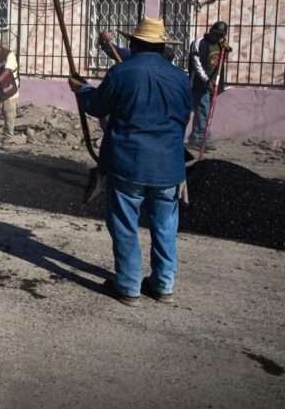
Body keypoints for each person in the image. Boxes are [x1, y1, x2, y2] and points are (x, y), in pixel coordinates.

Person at [68, 17, 191, 306]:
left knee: (125, 225)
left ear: (134, 44)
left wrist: (81, 89)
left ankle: (128, 286)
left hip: (128, 163)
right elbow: (184, 117)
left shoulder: (121, 72)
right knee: (165, 227)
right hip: (169, 165)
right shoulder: (180, 77)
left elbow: (97, 105)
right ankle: (163, 285)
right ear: (162, 47)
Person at [187, 21, 231, 150]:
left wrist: (226, 51)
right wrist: (206, 80)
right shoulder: (199, 43)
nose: (218, 37)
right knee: (203, 110)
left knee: (203, 111)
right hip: (200, 83)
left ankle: (195, 138)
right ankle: (205, 138)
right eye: (216, 34)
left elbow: (218, 61)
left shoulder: (221, 44)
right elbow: (197, 64)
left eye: (221, 35)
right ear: (211, 31)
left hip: (215, 83)